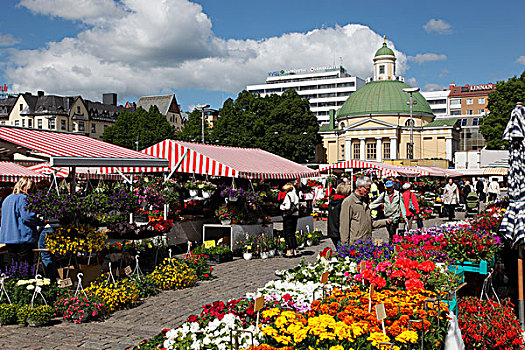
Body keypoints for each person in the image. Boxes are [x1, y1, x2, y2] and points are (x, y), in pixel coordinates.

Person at [0, 177, 43, 265]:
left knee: (14, 264)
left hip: (8, 237)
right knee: (25, 265)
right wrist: (41, 222)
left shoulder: (7, 199)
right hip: (22, 237)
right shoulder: (23, 198)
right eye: (31, 188)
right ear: (25, 187)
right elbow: (27, 217)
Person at [339, 176, 391, 246]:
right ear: (360, 187)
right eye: (367, 189)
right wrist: (345, 246)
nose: (369, 192)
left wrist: (385, 222)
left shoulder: (364, 201)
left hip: (366, 243)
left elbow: (370, 223)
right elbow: (344, 227)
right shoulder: (349, 202)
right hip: (355, 245)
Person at [327, 183, 352, 248]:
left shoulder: (332, 202)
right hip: (339, 232)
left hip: (332, 231)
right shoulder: (343, 203)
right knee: (343, 253)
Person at [280, 182, 300, 257]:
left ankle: (289, 251)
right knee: (293, 233)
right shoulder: (295, 194)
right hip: (295, 215)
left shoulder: (288, 195)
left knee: (287, 233)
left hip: (288, 216)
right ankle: (295, 250)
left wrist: (282, 207)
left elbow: (287, 206)